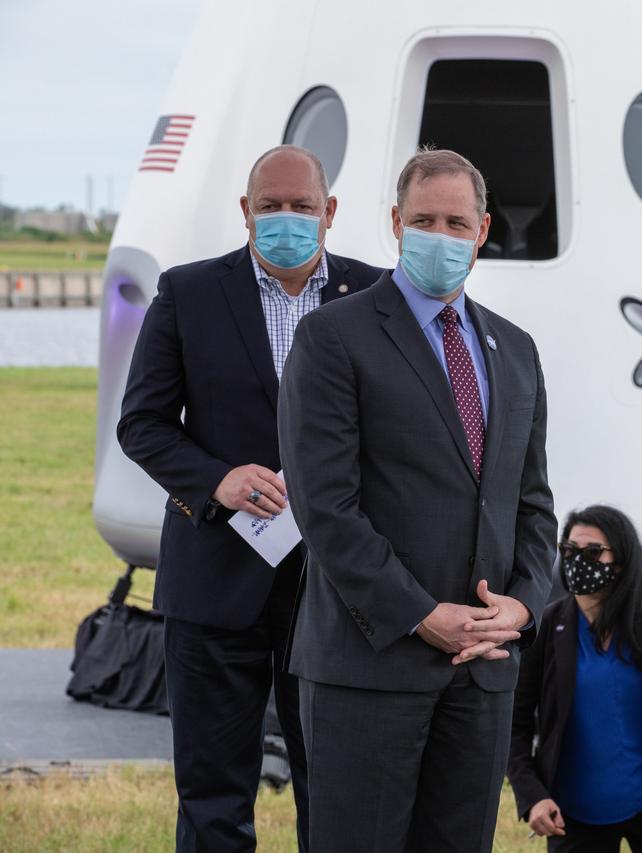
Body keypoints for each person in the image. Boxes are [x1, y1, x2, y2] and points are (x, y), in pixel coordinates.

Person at [277, 147, 557, 853]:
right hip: (370, 669)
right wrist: (421, 614)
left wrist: (521, 605)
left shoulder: (515, 349)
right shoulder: (333, 337)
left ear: (483, 229)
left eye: (456, 221)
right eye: (424, 219)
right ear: (396, 223)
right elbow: (326, 508)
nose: (442, 233)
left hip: (482, 674)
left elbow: (532, 502)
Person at [117, 144, 382, 851]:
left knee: (335, 794)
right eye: (271, 206)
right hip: (214, 578)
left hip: (336, 592)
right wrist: (217, 479)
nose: (286, 219)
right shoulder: (189, 292)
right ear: (245, 212)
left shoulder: (376, 296)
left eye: (302, 206)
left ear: (330, 213)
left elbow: (402, 432)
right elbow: (140, 423)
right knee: (212, 800)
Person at [508, 505, 642, 853]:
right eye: (570, 551)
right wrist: (532, 796)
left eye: (593, 552)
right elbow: (514, 725)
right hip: (574, 815)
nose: (578, 560)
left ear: (621, 560)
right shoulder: (547, 627)